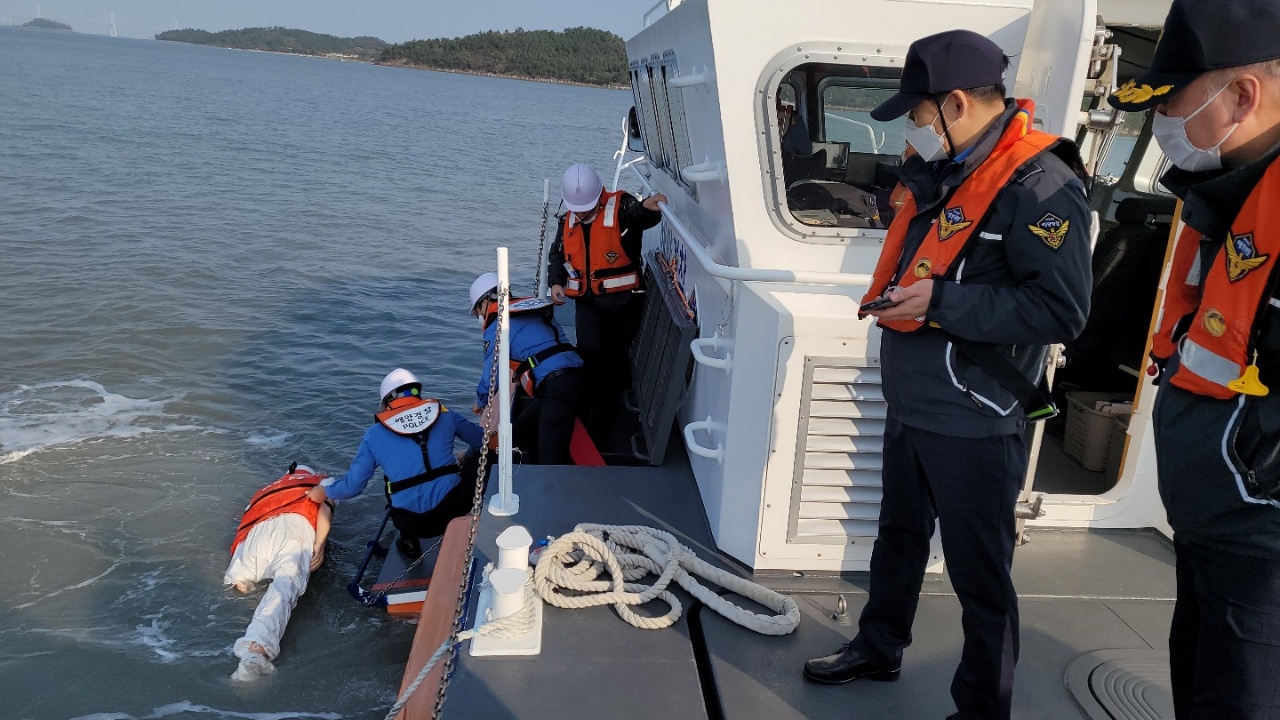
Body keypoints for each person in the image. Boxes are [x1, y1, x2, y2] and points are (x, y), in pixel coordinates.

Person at [801, 30, 1092, 719]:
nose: (913, 127)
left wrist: (943, 302)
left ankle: (982, 708)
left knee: (980, 576)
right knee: (897, 534)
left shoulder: (1042, 186)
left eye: (920, 113)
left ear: (956, 103)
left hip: (976, 415)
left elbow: (1062, 309)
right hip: (913, 399)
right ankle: (880, 645)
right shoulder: (947, 169)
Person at [1107, 1, 1280, 716]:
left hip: (1264, 550)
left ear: (1240, 96)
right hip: (1211, 527)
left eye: (1172, 103)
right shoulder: (1227, 198)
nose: (1161, 126)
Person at [306, 369, 484, 559]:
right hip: (456, 508)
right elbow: (483, 440)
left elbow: (353, 486)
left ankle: (408, 541)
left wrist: (325, 491)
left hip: (412, 522)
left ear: (386, 402)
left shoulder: (374, 435)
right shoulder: (445, 415)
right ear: (417, 393)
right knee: (482, 454)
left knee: (392, 482)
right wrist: (466, 455)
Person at [547, 163, 665, 439]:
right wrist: (555, 282)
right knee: (588, 352)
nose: (581, 212)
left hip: (624, 303)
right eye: (576, 208)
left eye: (585, 207)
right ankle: (587, 405)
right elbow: (557, 255)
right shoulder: (568, 221)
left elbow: (640, 217)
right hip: (588, 303)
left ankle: (606, 418)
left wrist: (648, 206)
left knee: (614, 360)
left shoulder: (621, 207)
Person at [224, 462, 335, 680]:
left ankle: (243, 581)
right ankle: (256, 651)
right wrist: (319, 545)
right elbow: (326, 506)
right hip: (293, 529)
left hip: (253, 540)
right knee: (284, 589)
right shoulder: (322, 482)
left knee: (247, 575)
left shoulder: (263, 492)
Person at [469, 272, 586, 465]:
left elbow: (492, 375)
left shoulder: (497, 326)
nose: (480, 316)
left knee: (552, 460)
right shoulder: (530, 308)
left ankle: (551, 486)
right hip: (573, 375)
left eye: (477, 311)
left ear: (484, 302)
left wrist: (480, 402)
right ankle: (538, 474)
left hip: (559, 387)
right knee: (524, 430)